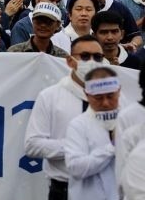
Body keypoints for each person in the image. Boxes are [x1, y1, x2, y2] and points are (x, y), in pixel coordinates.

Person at [25, 35, 108, 200]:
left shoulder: (113, 99)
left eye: (97, 57)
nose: (91, 62)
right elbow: (32, 145)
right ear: (70, 61)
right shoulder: (50, 97)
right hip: (64, 189)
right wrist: (75, 147)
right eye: (84, 56)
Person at [65, 66, 121, 200]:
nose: (106, 103)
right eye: (99, 98)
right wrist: (112, 147)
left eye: (110, 96)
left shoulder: (131, 120)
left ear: (119, 91)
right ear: (87, 94)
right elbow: (76, 168)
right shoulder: (78, 125)